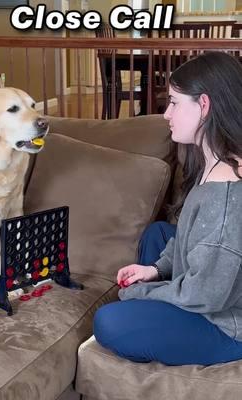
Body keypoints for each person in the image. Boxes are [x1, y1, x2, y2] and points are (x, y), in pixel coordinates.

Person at [93, 51, 242, 366]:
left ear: (204, 105)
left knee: (110, 322)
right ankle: (162, 304)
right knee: (158, 233)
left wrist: (146, 292)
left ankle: (160, 312)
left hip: (226, 325)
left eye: (174, 102)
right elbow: (190, 235)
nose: (165, 113)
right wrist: (155, 270)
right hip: (210, 289)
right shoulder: (216, 160)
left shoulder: (228, 198)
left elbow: (206, 296)